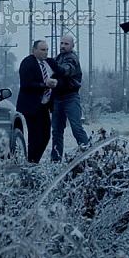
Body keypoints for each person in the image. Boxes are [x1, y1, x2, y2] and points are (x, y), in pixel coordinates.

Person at [16, 39, 60, 164]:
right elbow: (26, 84)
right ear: (34, 50)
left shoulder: (49, 63)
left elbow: (61, 74)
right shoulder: (28, 63)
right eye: (42, 50)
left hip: (45, 105)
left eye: (47, 50)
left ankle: (35, 161)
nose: (45, 53)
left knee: (45, 135)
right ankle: (31, 162)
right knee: (35, 136)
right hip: (31, 106)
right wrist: (45, 85)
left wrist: (56, 81)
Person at [50, 33, 90, 162]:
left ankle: (89, 156)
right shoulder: (58, 58)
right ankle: (55, 161)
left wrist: (55, 69)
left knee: (77, 129)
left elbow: (66, 69)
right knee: (56, 132)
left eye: (66, 44)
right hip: (58, 98)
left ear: (72, 45)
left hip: (70, 98)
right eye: (61, 43)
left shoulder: (72, 58)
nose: (63, 46)